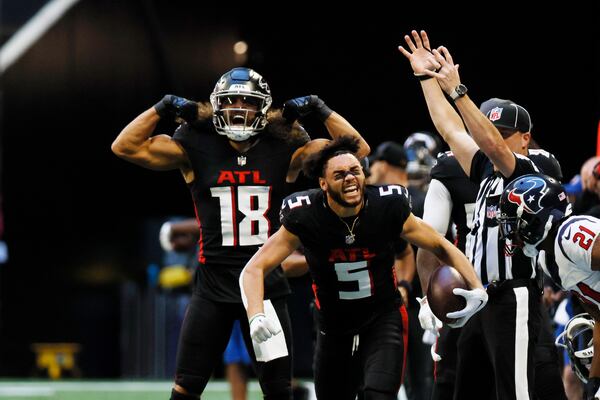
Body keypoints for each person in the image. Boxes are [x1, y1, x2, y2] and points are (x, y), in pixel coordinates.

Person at [111, 67, 369, 400]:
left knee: (278, 391)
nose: (237, 108)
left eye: (246, 101)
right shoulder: (196, 143)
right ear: (217, 105)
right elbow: (124, 146)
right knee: (186, 388)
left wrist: (318, 108)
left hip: (266, 286)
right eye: (230, 100)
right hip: (213, 286)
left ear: (262, 108)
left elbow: (357, 152)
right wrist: (164, 106)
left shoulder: (284, 144)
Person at [239, 137, 487, 400]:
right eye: (339, 174)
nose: (349, 178)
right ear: (323, 184)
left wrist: (477, 287)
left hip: (382, 316)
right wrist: (255, 313)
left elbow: (440, 245)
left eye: (355, 171)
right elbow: (255, 268)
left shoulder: (386, 205)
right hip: (332, 324)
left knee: (378, 394)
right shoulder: (306, 214)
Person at [399, 29, 555, 399]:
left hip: (514, 294)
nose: (493, 140)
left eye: (503, 134)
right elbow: (451, 129)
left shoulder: (534, 172)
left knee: (515, 392)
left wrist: (458, 90)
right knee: (463, 388)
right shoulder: (486, 168)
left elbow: (490, 145)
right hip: (478, 294)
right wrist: (426, 80)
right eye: (491, 132)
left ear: (525, 139)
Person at [496, 173, 600, 399]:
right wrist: (595, 381)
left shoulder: (570, 235)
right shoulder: (549, 260)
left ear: (537, 218)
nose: (513, 236)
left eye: (516, 225)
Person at [368, 140, 432, 400]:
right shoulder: (423, 199)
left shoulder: (395, 201)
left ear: (384, 164)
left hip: (403, 300)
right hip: (422, 299)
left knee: (398, 378)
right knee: (416, 378)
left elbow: (409, 252)